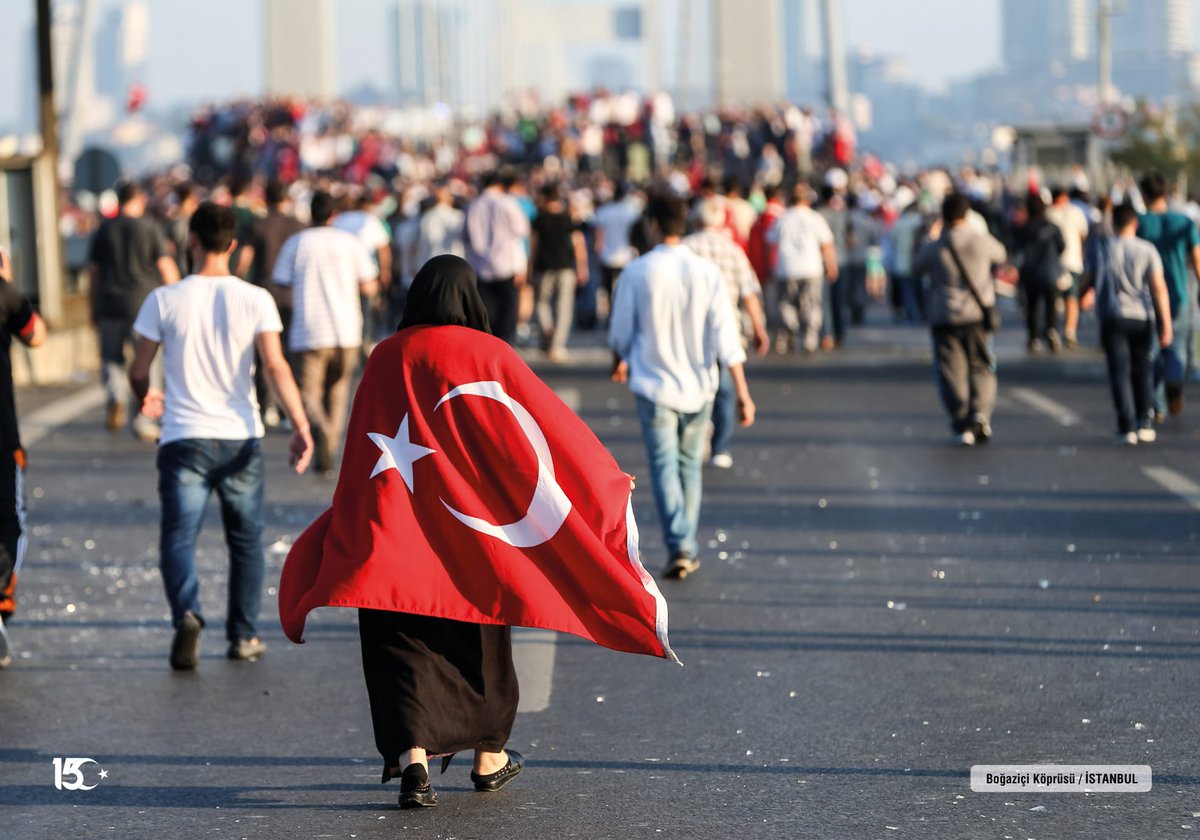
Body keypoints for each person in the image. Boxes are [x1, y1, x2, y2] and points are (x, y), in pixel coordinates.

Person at [280, 255, 679, 808]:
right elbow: (544, 430)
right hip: (473, 533)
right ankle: (488, 759)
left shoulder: (386, 356)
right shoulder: (489, 353)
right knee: (483, 635)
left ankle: (413, 760)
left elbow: (362, 447)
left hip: (395, 529)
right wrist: (601, 479)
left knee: (399, 641)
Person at [129, 202, 314, 670]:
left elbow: (137, 368)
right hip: (240, 437)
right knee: (246, 541)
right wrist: (299, 424)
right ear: (232, 245)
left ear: (190, 239)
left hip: (182, 437)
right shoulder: (256, 299)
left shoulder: (163, 299)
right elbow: (275, 365)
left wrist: (145, 396)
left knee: (178, 537)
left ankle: (188, 612)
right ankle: (244, 635)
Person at [609, 195, 756, 579]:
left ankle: (680, 543)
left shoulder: (637, 271)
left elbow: (620, 335)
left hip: (653, 384)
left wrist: (620, 359)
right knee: (690, 466)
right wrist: (742, 391)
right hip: (701, 385)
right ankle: (684, 540)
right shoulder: (707, 273)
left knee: (663, 467)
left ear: (654, 226)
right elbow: (728, 339)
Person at [272, 190, 378, 476]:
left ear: (311, 215)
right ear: (334, 216)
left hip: (308, 330)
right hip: (347, 330)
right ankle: (328, 449)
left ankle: (321, 435)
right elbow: (370, 285)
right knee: (338, 392)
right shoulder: (350, 243)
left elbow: (280, 287)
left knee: (308, 394)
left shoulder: (296, 243)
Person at [87, 180, 180, 439]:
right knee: (148, 362)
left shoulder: (104, 230)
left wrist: (93, 304)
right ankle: (143, 417)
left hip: (108, 304)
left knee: (111, 358)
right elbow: (166, 267)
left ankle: (115, 395)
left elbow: (93, 272)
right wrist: (179, 299)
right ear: (138, 200)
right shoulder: (150, 228)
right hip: (144, 306)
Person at [913, 193, 1007, 446]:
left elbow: (915, 265)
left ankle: (960, 416)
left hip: (944, 315)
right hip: (976, 315)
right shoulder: (980, 241)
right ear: (967, 214)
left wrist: (931, 234)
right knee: (981, 366)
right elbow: (1001, 255)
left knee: (950, 371)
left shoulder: (934, 246)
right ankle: (980, 414)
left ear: (944, 216)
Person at [682, 197, 769, 468]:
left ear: (696, 221)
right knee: (725, 389)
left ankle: (695, 435)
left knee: (690, 384)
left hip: (689, 330)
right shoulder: (732, 250)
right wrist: (758, 327)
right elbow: (749, 292)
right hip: (726, 329)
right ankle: (720, 446)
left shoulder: (684, 249)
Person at [1081, 203, 1173, 444]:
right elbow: (1158, 288)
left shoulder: (1103, 249)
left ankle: (1126, 425)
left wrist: (1081, 295)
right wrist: (1166, 323)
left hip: (1113, 316)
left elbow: (1088, 279)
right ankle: (1144, 422)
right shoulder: (1146, 249)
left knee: (1119, 372)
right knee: (1143, 369)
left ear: (1114, 223)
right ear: (1135, 223)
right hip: (1142, 317)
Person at [0, 248, 47, 668]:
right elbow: (36, 335)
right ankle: (1, 601)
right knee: (9, 522)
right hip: (1, 435)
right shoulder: (3, 293)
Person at [1137, 171, 1200, 418]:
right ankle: (1174, 380)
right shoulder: (1183, 222)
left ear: (1143, 194)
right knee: (1177, 349)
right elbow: (1196, 257)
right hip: (1180, 293)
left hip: (1148, 296)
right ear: (1166, 191)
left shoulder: (1139, 223)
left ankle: (1157, 403)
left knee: (1150, 350)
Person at [769, 183, 839, 354]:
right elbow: (827, 245)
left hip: (786, 268)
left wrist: (770, 266)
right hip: (811, 268)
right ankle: (809, 339)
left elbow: (771, 244)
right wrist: (831, 265)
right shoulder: (815, 218)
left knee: (786, 304)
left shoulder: (782, 218)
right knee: (812, 305)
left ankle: (790, 327)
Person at [464, 173, 531, 344]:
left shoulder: (474, 205)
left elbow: (466, 236)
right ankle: (505, 346)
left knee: (487, 310)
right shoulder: (508, 203)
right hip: (507, 263)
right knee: (508, 309)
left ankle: (490, 345)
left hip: (480, 265)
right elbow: (521, 232)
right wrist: (522, 266)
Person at [531, 184, 588, 361]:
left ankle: (547, 332)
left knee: (542, 303)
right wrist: (582, 266)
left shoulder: (539, 218)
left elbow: (534, 243)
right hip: (565, 266)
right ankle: (557, 345)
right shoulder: (567, 219)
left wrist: (530, 264)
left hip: (544, 266)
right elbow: (578, 243)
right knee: (564, 307)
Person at [1014, 194, 1066, 352]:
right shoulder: (1052, 227)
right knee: (1051, 304)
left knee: (1032, 305)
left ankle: (1033, 337)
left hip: (1030, 273)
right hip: (1050, 271)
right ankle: (1051, 330)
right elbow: (1062, 246)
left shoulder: (1023, 229)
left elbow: (1017, 250)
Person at [1047, 187, 1090, 348]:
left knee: (1055, 299)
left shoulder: (1049, 213)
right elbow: (1083, 235)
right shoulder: (1077, 212)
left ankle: (1054, 331)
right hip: (1074, 260)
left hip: (1054, 263)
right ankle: (1070, 331)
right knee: (1072, 298)